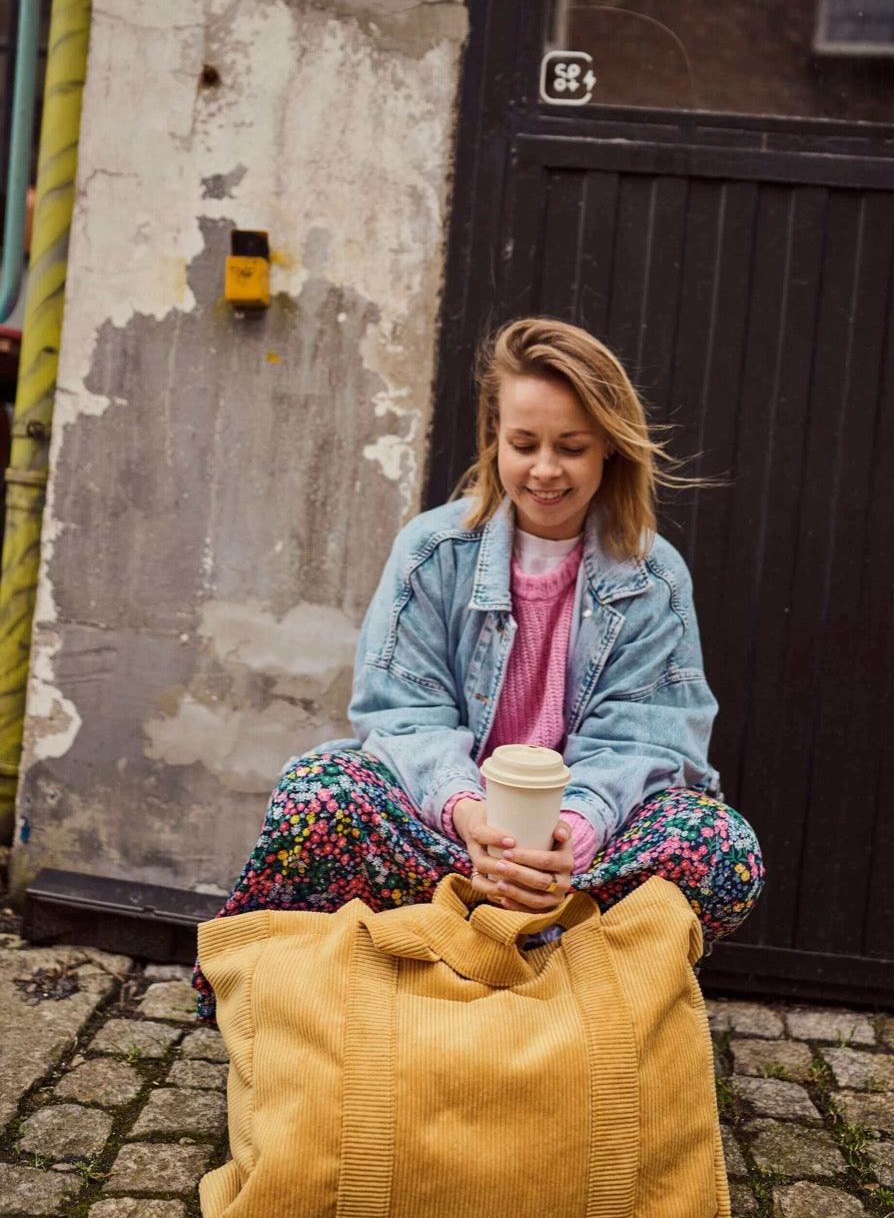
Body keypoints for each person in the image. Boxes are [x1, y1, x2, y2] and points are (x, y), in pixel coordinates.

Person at [193, 316, 765, 1021]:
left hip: (577, 856)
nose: (545, 469)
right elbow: (400, 713)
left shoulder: (652, 579)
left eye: (572, 447)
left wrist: (568, 839)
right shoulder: (432, 551)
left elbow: (646, 743)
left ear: (610, 451)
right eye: (523, 444)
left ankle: (570, 992)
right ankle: (287, 1004)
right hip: (447, 833)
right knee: (317, 791)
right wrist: (470, 819)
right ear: (495, 437)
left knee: (719, 847)